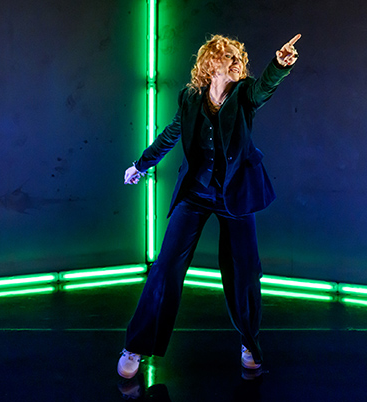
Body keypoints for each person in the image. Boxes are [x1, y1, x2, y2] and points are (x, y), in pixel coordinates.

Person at [117, 33, 302, 379]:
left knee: (245, 272)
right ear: (210, 63)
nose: (236, 61)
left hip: (237, 194)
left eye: (238, 57)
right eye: (228, 55)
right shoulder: (190, 98)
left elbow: (264, 88)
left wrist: (279, 64)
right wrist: (141, 165)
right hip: (196, 193)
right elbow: (171, 134)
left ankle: (249, 342)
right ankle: (136, 346)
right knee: (165, 267)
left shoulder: (244, 94)